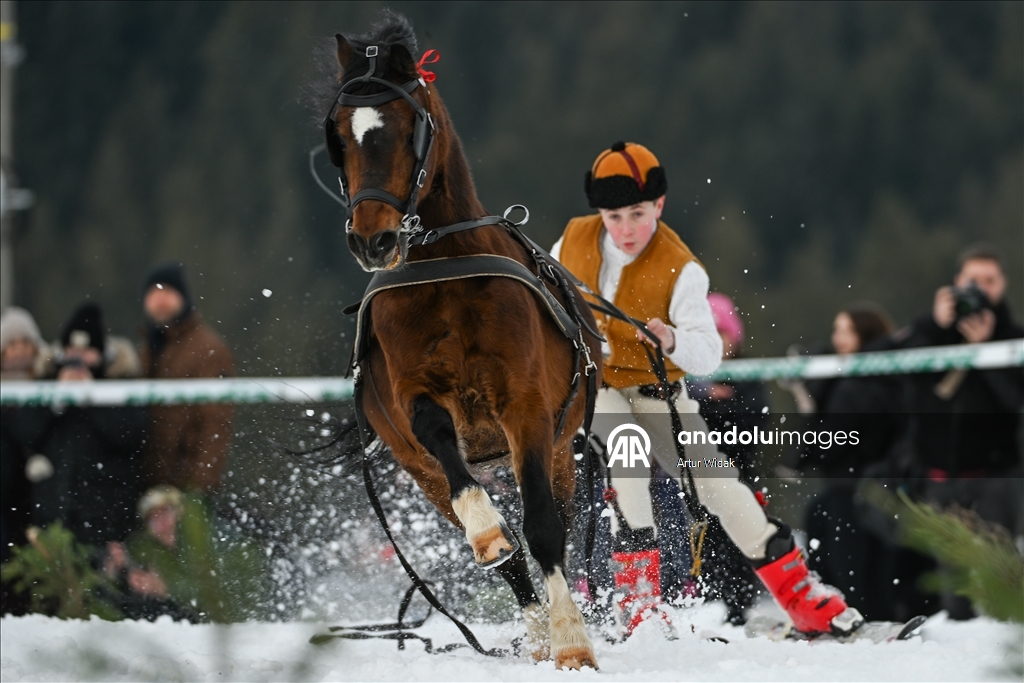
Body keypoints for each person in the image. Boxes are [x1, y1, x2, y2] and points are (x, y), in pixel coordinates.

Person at [552, 141, 862, 637]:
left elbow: (709, 355)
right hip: (597, 384)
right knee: (627, 456)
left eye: (637, 213)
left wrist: (672, 338)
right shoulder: (570, 243)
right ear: (598, 212)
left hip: (660, 391)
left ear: (659, 205)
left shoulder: (682, 267)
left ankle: (797, 591)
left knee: (716, 481)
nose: (626, 228)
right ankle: (638, 602)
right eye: (614, 216)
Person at [897, 244, 1023, 618]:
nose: (981, 290)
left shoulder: (1014, 337)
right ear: (955, 284)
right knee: (951, 583)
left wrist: (985, 351)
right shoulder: (929, 331)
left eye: (989, 280)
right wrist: (936, 328)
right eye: (973, 280)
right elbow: (907, 386)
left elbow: (1017, 399)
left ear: (1003, 284)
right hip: (939, 478)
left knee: (1000, 577)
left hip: (997, 478)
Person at [797, 303, 910, 621]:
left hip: (849, 491)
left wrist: (812, 404)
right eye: (837, 331)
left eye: (847, 331)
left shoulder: (852, 385)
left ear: (866, 334)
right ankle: (873, 618)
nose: (838, 339)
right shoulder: (886, 376)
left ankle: (850, 619)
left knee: (850, 574)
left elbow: (829, 442)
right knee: (873, 571)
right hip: (877, 490)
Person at [19, 303, 149, 547]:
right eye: (72, 350)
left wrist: (93, 399)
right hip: (53, 521)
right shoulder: (45, 384)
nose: (78, 360)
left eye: (87, 351)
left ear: (102, 353)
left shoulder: (121, 385)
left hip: (109, 524)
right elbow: (24, 433)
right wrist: (56, 400)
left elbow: (132, 435)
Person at [139, 263, 235, 495]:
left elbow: (216, 422)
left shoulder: (208, 348)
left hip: (186, 483)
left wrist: (201, 484)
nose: (160, 301)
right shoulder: (147, 348)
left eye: (167, 294)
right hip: (149, 482)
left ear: (183, 298)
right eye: (154, 294)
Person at [1, 307, 47, 614]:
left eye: (25, 344)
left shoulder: (48, 394)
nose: (19, 352)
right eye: (12, 344)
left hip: (37, 503)